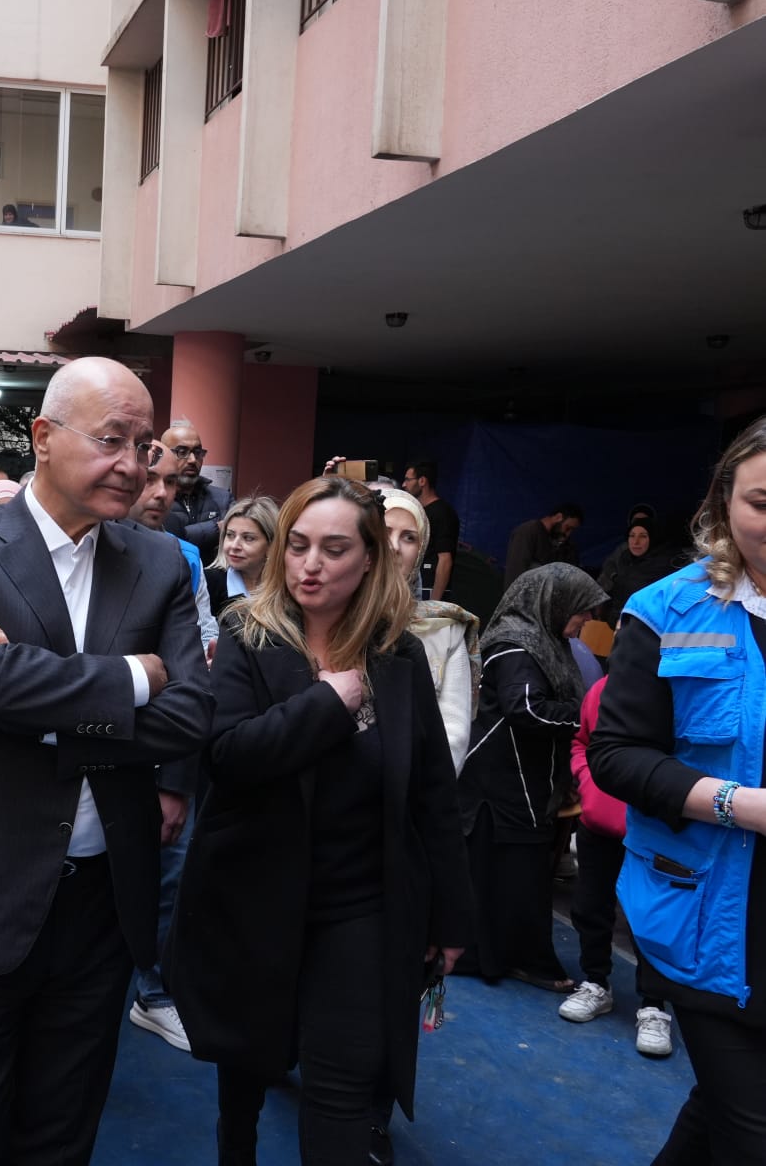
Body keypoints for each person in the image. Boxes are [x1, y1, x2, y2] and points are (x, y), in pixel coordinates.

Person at [0, 355, 212, 1165]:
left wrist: (42, 708)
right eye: (113, 440)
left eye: (145, 445)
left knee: (63, 1131)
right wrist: (134, 677)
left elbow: (192, 714)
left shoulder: (157, 561)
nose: (134, 464)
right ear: (43, 436)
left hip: (102, 899)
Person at [165, 474, 471, 1164]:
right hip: (251, 901)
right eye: (298, 545)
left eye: (334, 550)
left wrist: (451, 918)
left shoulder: (397, 654)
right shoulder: (247, 634)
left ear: (370, 560)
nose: (310, 565)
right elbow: (228, 756)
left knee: (343, 1089)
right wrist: (328, 703)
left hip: (360, 907)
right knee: (245, 1075)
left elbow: (431, 795)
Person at [590, 416, 766, 1162]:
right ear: (724, 500)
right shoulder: (666, 609)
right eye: (762, 502)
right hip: (707, 919)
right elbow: (617, 755)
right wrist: (739, 804)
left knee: (722, 1113)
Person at [454, 563, 606, 992]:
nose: (588, 619)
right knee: (505, 876)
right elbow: (527, 710)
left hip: (522, 781)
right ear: (554, 603)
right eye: (582, 609)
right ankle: (503, 958)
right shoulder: (516, 646)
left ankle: (514, 957)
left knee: (516, 877)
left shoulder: (546, 642)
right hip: (501, 782)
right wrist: (588, 717)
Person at [123, 454, 218, 1054]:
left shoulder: (179, 559)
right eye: (148, 479)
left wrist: (176, 781)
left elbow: (195, 674)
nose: (160, 493)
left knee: (165, 879)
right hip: (73, 761)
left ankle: (154, 994)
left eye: (169, 482)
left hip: (158, 755)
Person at [560, 676, 673, 1056]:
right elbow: (581, 742)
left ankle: (654, 1005)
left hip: (655, 830)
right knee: (590, 906)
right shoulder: (604, 690)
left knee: (652, 917)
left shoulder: (679, 693)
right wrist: (588, 783)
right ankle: (596, 982)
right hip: (598, 826)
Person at [374, 486, 481, 778]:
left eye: (409, 537)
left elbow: (452, 737)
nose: (394, 546)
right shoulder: (329, 614)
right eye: (384, 531)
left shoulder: (444, 630)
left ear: (421, 552)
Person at [163, 419, 233, 560]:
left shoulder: (223, 498)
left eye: (198, 452)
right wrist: (216, 529)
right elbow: (165, 540)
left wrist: (186, 533)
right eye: (182, 452)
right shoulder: (155, 497)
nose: (193, 460)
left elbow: (239, 531)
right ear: (164, 454)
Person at [205, 495, 279, 617]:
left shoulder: (285, 586)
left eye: (248, 538)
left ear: (271, 545)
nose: (234, 546)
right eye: (230, 535)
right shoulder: (208, 583)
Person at [597, 514, 674, 628]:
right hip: (619, 626)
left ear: (653, 538)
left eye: (643, 536)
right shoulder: (624, 559)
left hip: (644, 629)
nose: (636, 542)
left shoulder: (662, 565)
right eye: (632, 536)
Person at [401, 459, 459, 601]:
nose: (403, 484)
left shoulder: (442, 513)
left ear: (422, 481)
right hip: (413, 588)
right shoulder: (418, 511)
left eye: (408, 479)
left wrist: (435, 602)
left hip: (429, 590)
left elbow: (445, 560)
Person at [503, 502, 584, 588]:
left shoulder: (567, 544)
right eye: (567, 528)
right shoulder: (529, 531)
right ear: (558, 517)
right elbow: (516, 570)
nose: (568, 534)